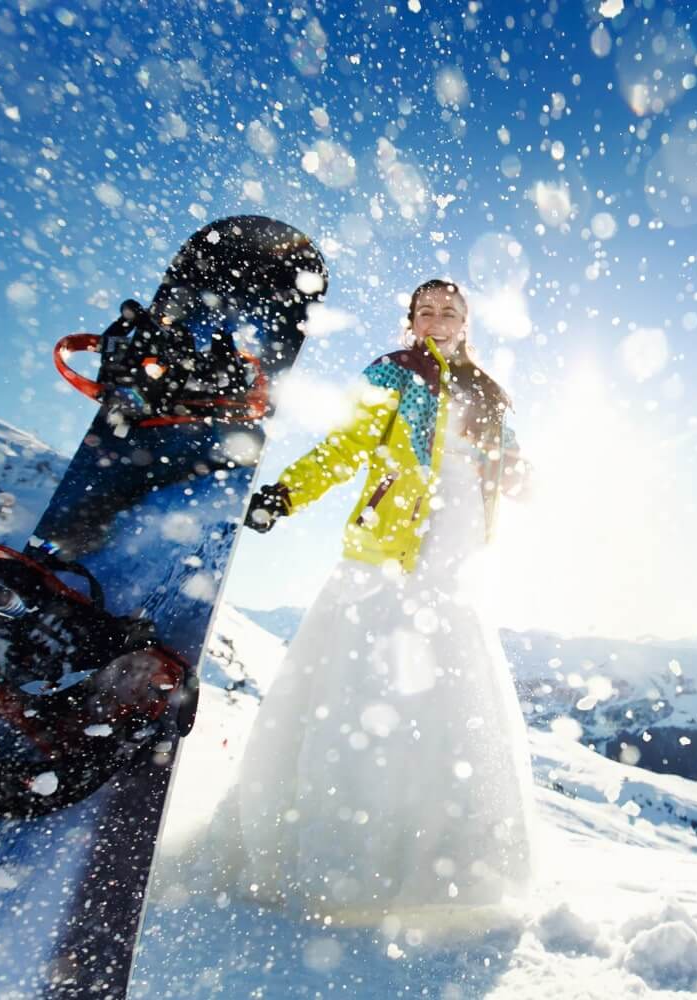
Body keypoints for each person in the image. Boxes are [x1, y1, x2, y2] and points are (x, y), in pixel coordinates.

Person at [229, 278, 534, 921]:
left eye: (449, 311)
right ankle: (339, 849)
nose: (438, 318)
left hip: (457, 544)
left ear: (467, 321)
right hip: (391, 539)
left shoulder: (487, 389)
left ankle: (439, 853)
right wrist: (288, 493)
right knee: (366, 681)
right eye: (426, 310)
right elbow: (348, 444)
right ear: (411, 319)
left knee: (443, 687)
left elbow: (510, 464)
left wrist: (524, 474)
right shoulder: (393, 372)